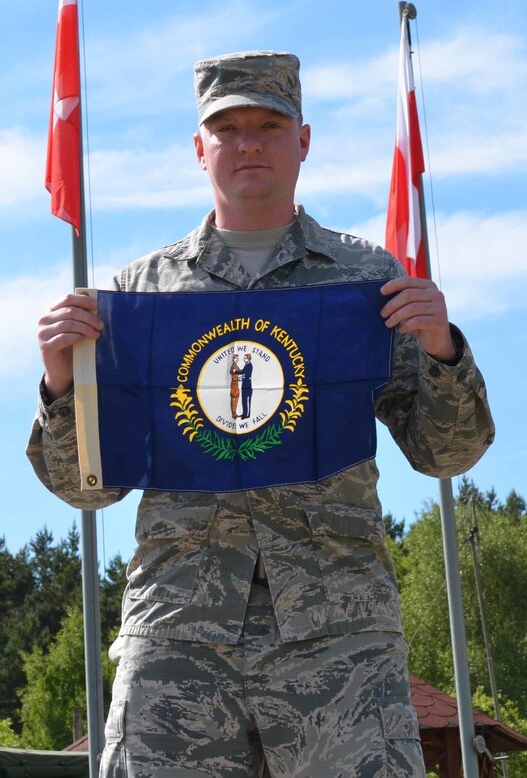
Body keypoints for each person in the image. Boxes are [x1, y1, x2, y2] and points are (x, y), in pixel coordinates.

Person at [27, 51, 494, 778]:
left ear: (301, 140)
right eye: (227, 128)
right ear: (198, 148)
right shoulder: (138, 295)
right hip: (178, 639)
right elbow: (87, 488)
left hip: (339, 639)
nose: (248, 144)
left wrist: (440, 350)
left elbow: (446, 456)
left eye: (268, 125)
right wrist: (62, 387)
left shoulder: (368, 281)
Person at [240, 354, 253, 419]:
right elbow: (243, 372)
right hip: (244, 385)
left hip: (247, 386)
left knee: (247, 400)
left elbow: (243, 372)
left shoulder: (249, 365)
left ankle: (247, 415)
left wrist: (235, 371)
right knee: (243, 400)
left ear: (249, 358)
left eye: (245, 358)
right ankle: (244, 413)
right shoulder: (246, 365)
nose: (244, 359)